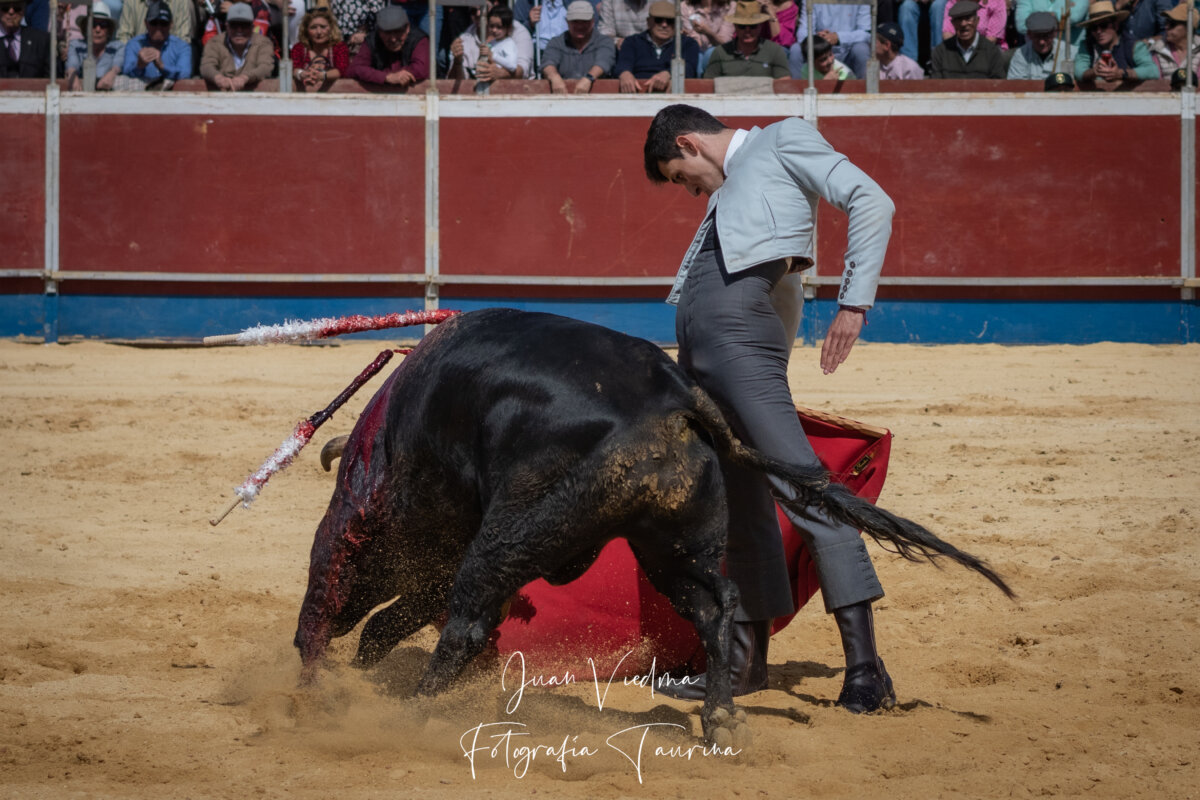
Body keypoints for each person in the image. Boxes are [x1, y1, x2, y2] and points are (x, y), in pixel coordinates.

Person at [642, 104, 897, 712]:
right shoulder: (732, 194)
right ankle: (742, 665)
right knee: (739, 507)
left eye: (681, 175)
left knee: (805, 491)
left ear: (689, 142)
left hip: (734, 351)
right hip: (705, 360)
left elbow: (872, 200)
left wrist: (854, 302)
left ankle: (867, 669)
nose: (688, 189)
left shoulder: (783, 139)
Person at [614, 0, 699, 91]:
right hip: (636, 93)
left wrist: (670, 73)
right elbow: (623, 63)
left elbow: (690, 67)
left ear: (677, 23)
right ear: (648, 22)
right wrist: (624, 73)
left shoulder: (688, 44)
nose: (664, 25)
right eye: (658, 20)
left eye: (670, 21)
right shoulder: (632, 42)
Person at [1074, 0, 1158, 84]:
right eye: (1094, 27)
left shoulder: (1133, 45)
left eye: (1104, 25)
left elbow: (1152, 71)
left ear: (1116, 25)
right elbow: (1078, 72)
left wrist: (1121, 73)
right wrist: (1094, 72)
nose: (1099, 31)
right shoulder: (1087, 46)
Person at [541, 0, 615, 92]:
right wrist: (554, 77)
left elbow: (604, 62)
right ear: (567, 21)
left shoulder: (604, 41)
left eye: (584, 21)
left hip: (599, 97)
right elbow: (548, 63)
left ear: (592, 21)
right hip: (563, 97)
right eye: (575, 22)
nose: (580, 26)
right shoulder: (556, 42)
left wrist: (589, 78)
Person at [703, 0, 789, 76]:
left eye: (752, 26)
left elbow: (784, 85)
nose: (747, 31)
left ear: (760, 26)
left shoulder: (775, 52)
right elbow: (708, 86)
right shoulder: (720, 53)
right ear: (735, 26)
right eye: (742, 26)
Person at [347, 4, 429, 85]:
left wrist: (397, 76)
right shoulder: (372, 40)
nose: (393, 39)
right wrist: (386, 77)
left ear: (407, 28)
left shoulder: (419, 40)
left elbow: (421, 69)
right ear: (379, 31)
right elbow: (355, 69)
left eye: (398, 32)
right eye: (387, 33)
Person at [199, 2, 273, 89]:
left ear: (252, 27)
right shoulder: (214, 42)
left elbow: (266, 67)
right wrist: (219, 78)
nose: (239, 30)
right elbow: (206, 66)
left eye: (244, 25)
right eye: (234, 25)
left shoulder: (264, 43)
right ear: (227, 26)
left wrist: (245, 78)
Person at [119, 1, 192, 87]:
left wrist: (162, 66)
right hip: (141, 95)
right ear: (146, 23)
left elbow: (185, 74)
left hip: (170, 95)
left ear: (171, 24)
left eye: (163, 23)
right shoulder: (134, 44)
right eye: (154, 23)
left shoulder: (182, 47)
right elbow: (126, 71)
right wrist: (139, 65)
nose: (158, 28)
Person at [447, 2, 527, 79]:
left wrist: (500, 72)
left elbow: (517, 69)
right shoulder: (464, 39)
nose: (478, 14)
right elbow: (453, 81)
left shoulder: (517, 32)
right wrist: (457, 61)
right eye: (473, 11)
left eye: (483, 8)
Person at [793, 1, 870, 80]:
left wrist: (839, 37)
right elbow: (803, 33)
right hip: (820, 52)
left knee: (861, 49)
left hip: (848, 52)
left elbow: (866, 33)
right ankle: (796, 89)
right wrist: (818, 39)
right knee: (796, 49)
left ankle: (864, 88)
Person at [929, 0, 1007, 76]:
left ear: (977, 21)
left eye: (968, 18)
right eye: (959, 19)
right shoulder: (939, 52)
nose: (963, 24)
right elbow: (947, 33)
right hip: (955, 51)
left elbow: (992, 38)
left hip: (985, 50)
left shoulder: (993, 52)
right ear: (953, 22)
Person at [65, 1, 126, 89]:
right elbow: (72, 65)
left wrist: (112, 73)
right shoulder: (75, 46)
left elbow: (118, 65)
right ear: (86, 27)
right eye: (93, 24)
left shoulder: (118, 47)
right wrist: (73, 76)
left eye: (103, 25)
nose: (98, 29)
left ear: (109, 29)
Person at [290, 6, 350, 91]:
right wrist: (303, 74)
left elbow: (342, 70)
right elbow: (293, 69)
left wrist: (322, 75)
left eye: (323, 27)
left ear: (331, 28)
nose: (319, 32)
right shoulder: (299, 48)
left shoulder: (339, 47)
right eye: (313, 27)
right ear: (306, 30)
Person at [1007, 9, 1074, 77]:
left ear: (1055, 33)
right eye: (1037, 36)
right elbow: (1015, 85)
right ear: (1029, 34)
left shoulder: (1070, 53)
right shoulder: (1021, 55)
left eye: (1046, 36)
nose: (1041, 42)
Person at [0, 0, 51, 78]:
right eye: (5, 8)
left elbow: (52, 76)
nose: (11, 12)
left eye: (17, 8)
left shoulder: (41, 40)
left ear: (23, 10)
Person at [1148, 2, 1199, 77]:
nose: (1166, 27)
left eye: (1172, 23)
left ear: (1188, 27)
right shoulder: (1157, 49)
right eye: (1166, 22)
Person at [1014, 0, 1087, 48]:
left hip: (1070, 53)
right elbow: (1022, 25)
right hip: (1035, 55)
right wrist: (1058, 19)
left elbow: (1074, 16)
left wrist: (1035, 21)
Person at [116, 0, 193, 44]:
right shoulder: (131, 2)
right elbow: (124, 36)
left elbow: (182, 39)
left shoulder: (181, 2)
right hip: (138, 57)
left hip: (169, 58)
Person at [940, 0, 1007, 47]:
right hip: (959, 48)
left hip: (989, 48)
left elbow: (991, 39)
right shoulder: (954, 2)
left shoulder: (997, 2)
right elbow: (948, 33)